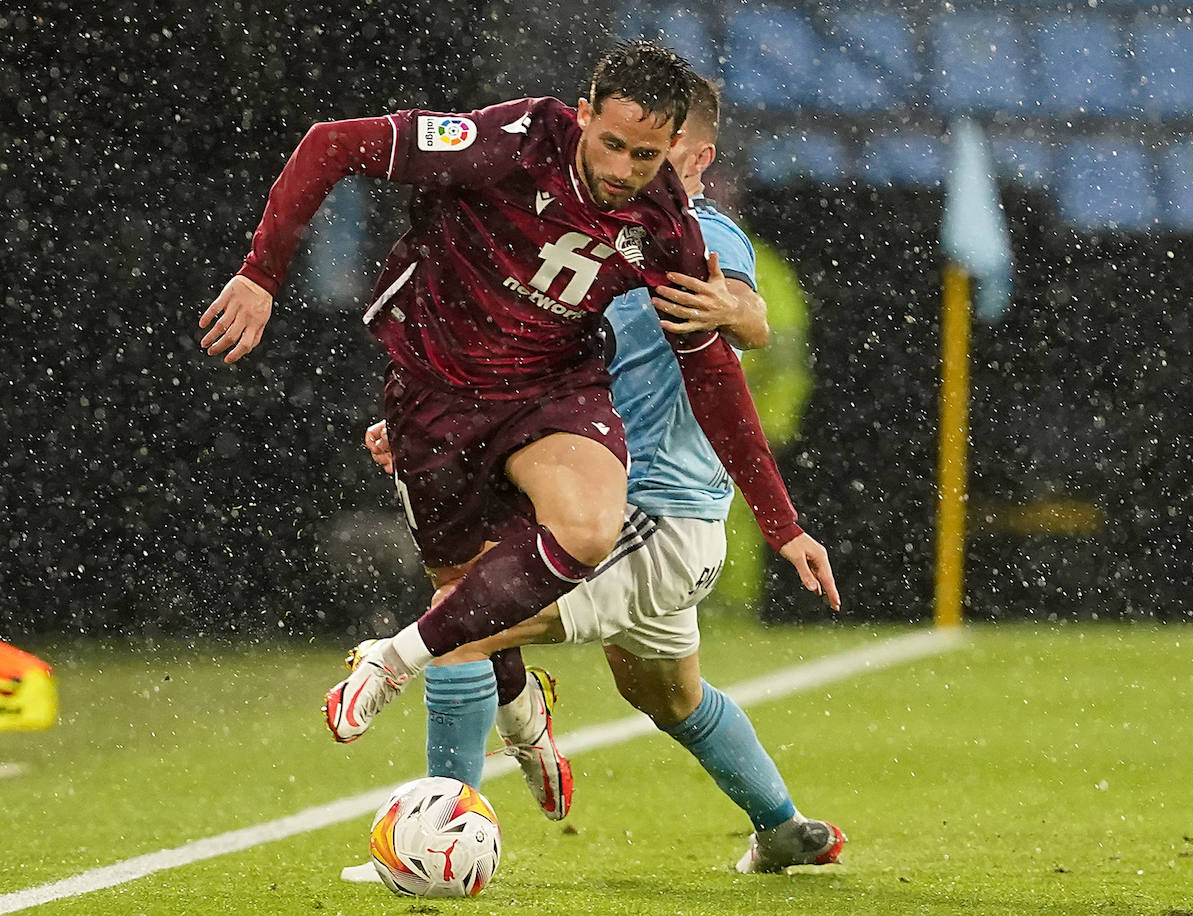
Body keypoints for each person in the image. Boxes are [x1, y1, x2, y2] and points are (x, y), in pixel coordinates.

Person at [201, 43, 800, 746]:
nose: (621, 171)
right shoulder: (508, 143)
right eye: (610, 144)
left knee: (581, 532)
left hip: (556, 393)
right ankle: (521, 722)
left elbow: (716, 366)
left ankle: (394, 668)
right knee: (467, 596)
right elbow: (332, 144)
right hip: (435, 390)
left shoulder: (670, 226)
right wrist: (260, 275)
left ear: (674, 150)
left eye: (643, 156)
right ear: (581, 117)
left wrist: (780, 520)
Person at [352, 75, 845, 875]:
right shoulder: (590, 234)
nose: (632, 168)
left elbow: (747, 314)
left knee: (460, 630)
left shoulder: (703, 233)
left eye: (660, 153)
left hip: (656, 514)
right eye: (620, 146)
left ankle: (429, 843)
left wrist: (739, 314)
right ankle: (783, 828)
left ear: (697, 156)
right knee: (668, 697)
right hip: (635, 512)